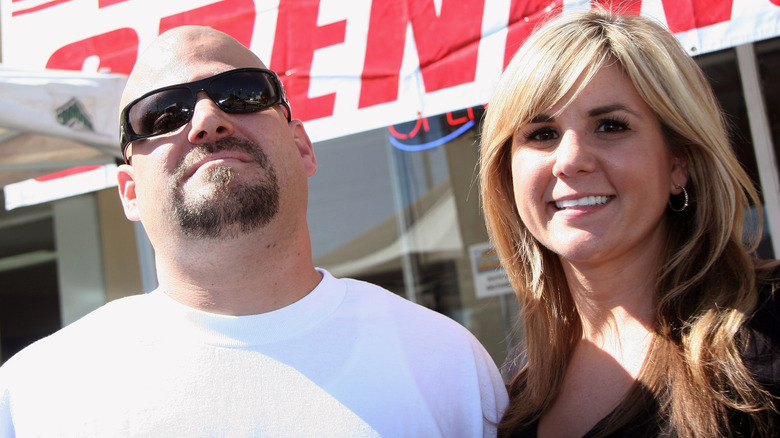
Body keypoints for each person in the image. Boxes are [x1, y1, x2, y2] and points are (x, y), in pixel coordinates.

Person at [0, 25, 508, 437]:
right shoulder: (32, 398)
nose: (207, 118)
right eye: (161, 114)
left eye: (240, 93)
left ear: (303, 147)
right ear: (129, 192)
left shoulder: (447, 364)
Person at [479, 8, 780, 438]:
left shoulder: (766, 327)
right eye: (542, 133)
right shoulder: (514, 383)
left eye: (610, 126)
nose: (570, 160)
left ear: (679, 162)